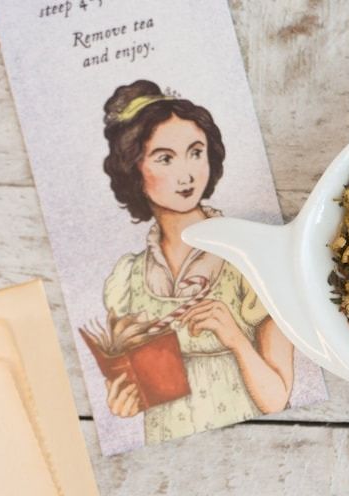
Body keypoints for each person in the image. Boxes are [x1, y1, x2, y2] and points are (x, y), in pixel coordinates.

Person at [101, 80, 293, 443]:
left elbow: (277, 398)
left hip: (257, 443)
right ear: (133, 169)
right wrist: (124, 400)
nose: (187, 174)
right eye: (165, 158)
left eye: (195, 152)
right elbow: (136, 383)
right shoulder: (126, 278)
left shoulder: (249, 257)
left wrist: (235, 338)